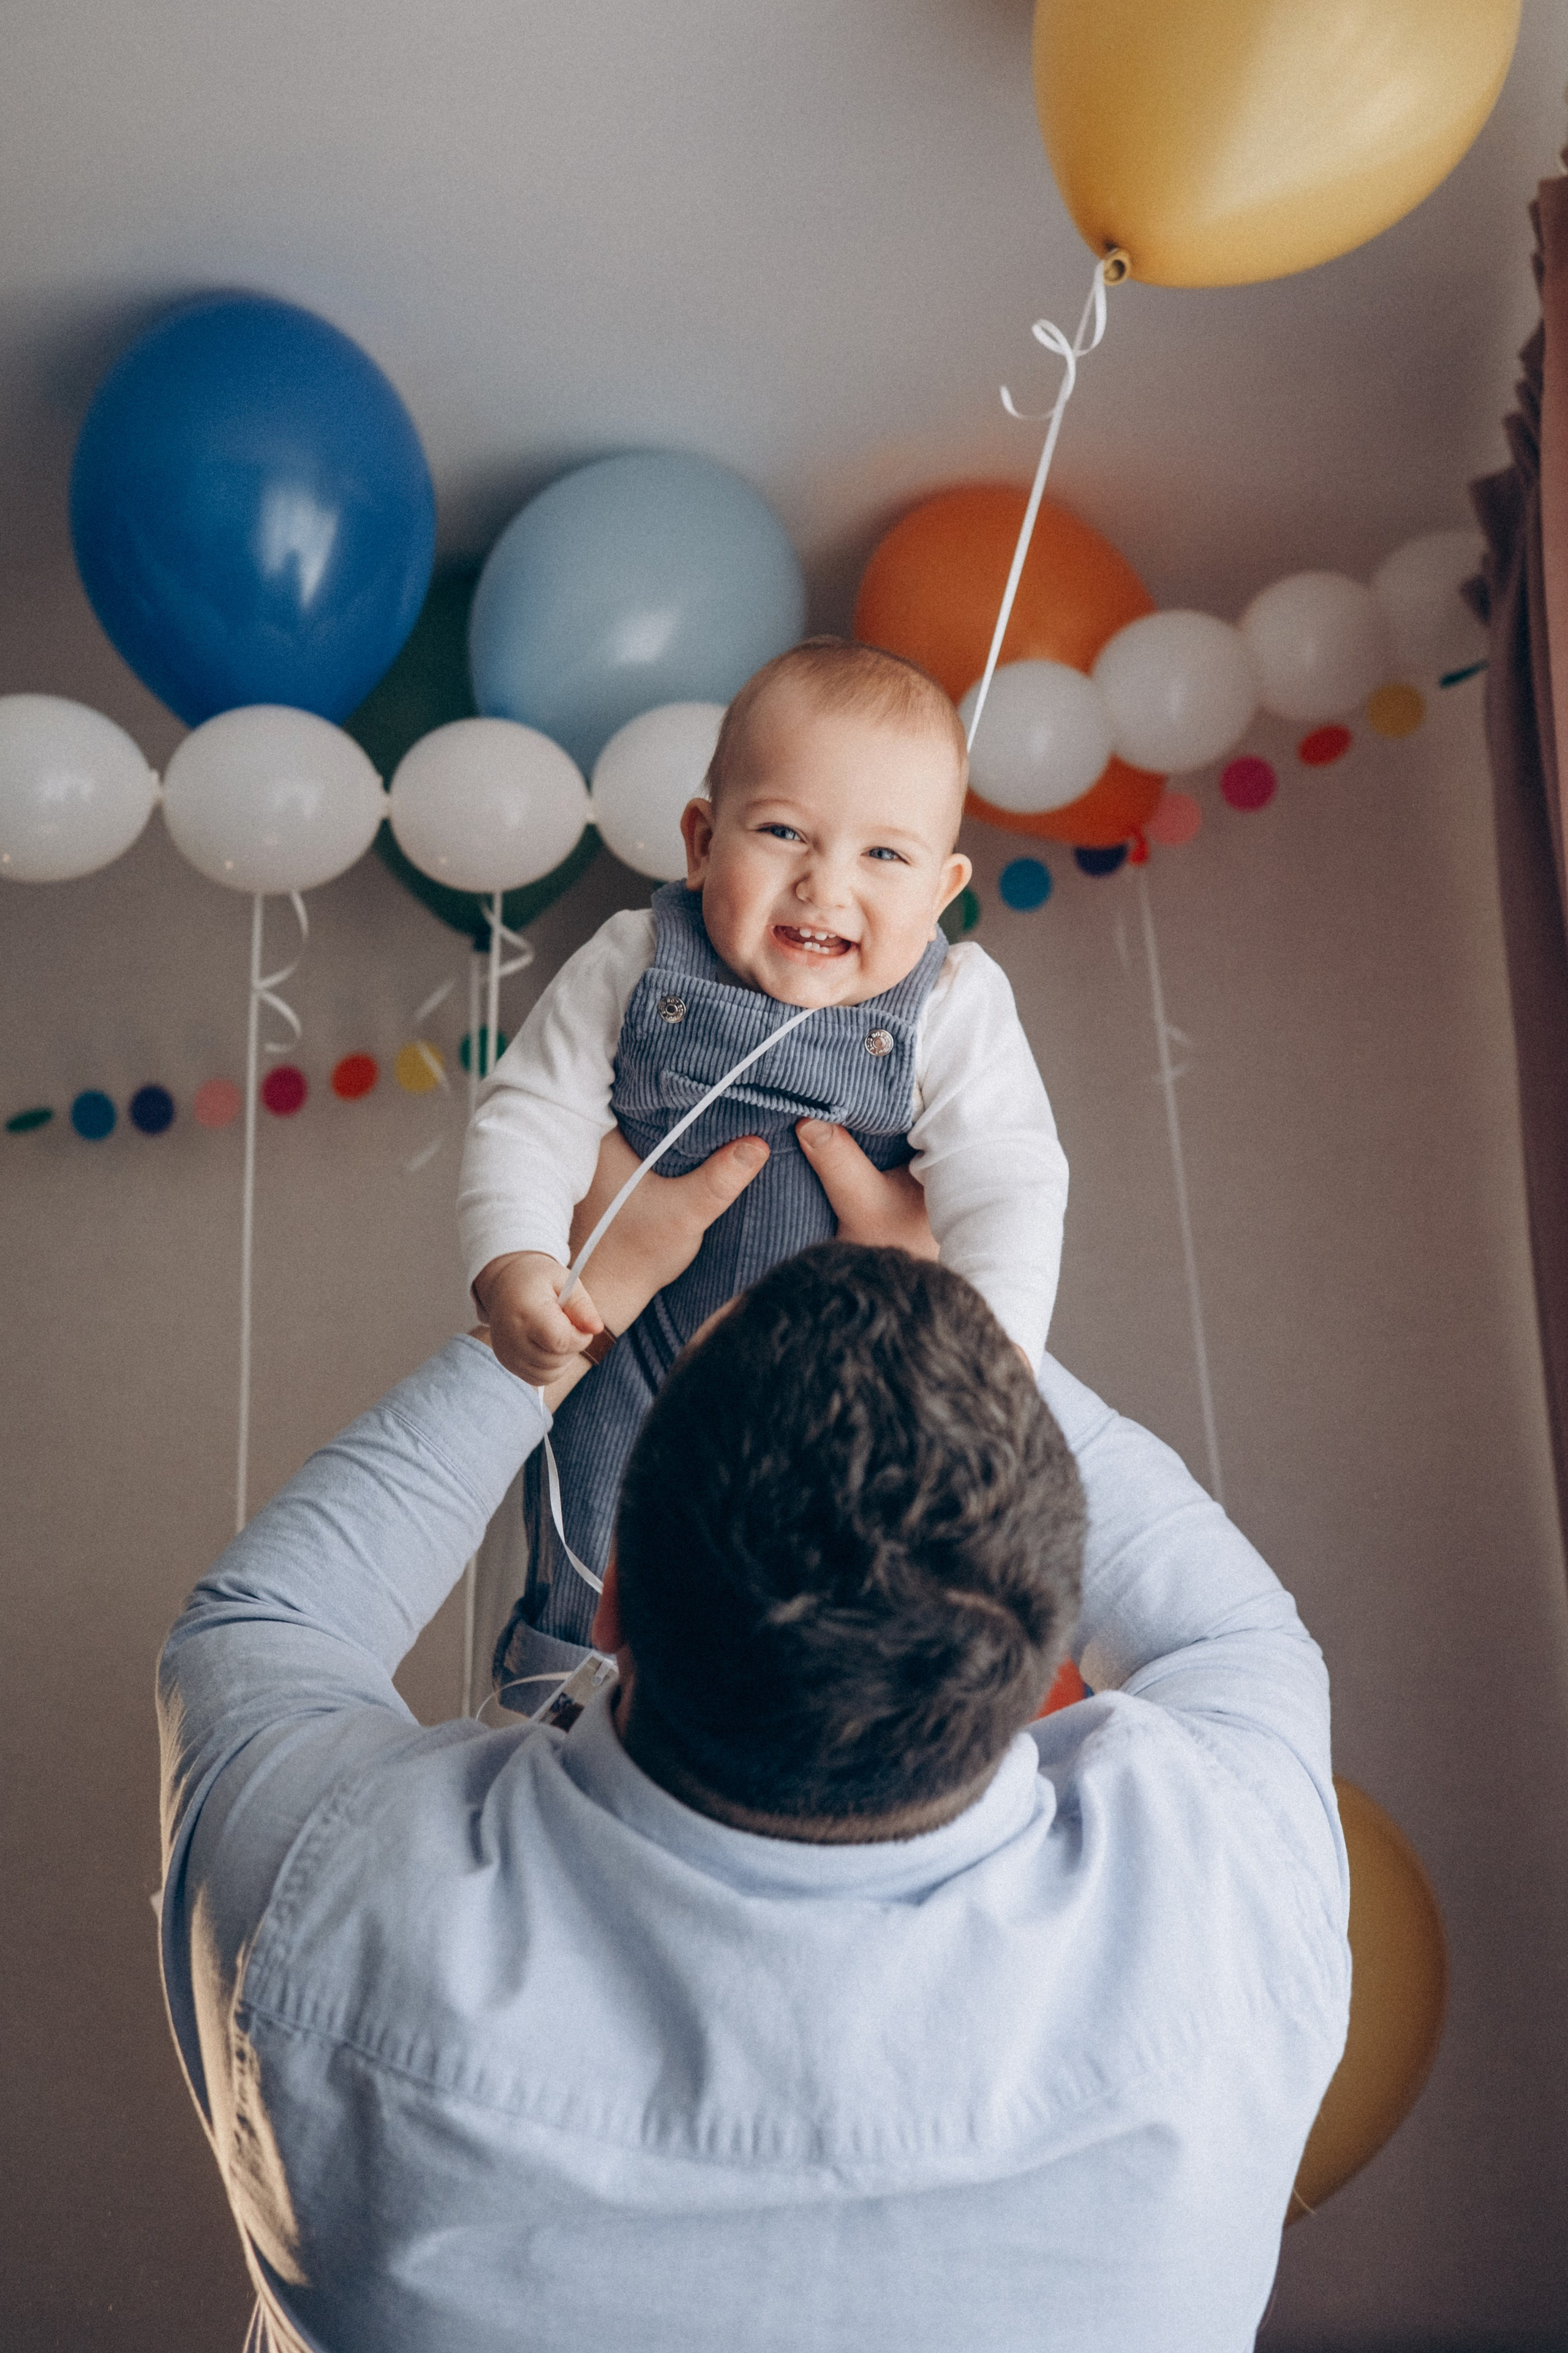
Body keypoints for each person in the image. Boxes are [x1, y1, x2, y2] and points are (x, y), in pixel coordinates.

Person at [158, 1125, 1349, 2353]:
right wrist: (968, 1311)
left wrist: (579, 1306)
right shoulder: (1228, 1887)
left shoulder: (340, 1907)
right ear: (1047, 1651)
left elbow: (267, 1622)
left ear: (608, 1595)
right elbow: (1225, 1631)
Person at [458, 637, 1069, 1686]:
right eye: (784, 831)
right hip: (634, 1343)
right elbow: (529, 1115)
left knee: (842, 1562)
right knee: (591, 1517)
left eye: (885, 856)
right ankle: (546, 1709)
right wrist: (514, 1262)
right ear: (701, 841)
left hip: (842, 1376)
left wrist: (993, 1356)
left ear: (944, 888)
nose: (824, 885)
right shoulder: (637, 956)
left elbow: (1008, 1180)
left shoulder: (954, 1001)